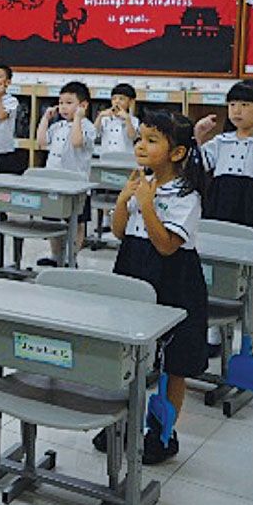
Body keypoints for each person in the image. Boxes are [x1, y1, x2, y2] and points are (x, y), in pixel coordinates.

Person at [99, 109, 207, 464]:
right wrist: (123, 200)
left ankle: (162, 431)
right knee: (126, 350)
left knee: (172, 360)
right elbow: (118, 231)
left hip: (172, 276)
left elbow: (166, 245)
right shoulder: (142, 182)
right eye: (139, 139)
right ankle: (121, 419)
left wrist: (146, 205)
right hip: (132, 266)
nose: (141, 146)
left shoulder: (186, 195)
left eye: (151, 140)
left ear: (177, 153)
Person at [195, 80, 253, 338]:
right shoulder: (222, 141)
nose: (236, 110)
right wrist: (197, 137)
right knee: (214, 271)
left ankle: (251, 341)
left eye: (245, 104)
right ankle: (215, 335)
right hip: (219, 207)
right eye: (232, 104)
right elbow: (194, 168)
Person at [36, 80, 96, 265]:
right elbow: (41, 142)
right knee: (52, 221)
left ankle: (73, 257)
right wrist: (45, 119)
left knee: (76, 222)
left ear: (83, 105)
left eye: (69, 103)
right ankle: (56, 256)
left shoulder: (87, 126)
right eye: (61, 102)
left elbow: (77, 142)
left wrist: (78, 117)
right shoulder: (57, 126)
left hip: (76, 185)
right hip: (53, 183)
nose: (63, 107)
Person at [96, 83, 140, 154]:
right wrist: (100, 116)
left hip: (125, 157)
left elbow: (133, 137)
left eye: (121, 99)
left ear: (130, 102)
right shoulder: (105, 119)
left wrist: (127, 119)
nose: (117, 101)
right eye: (114, 99)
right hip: (106, 155)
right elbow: (94, 133)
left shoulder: (133, 120)